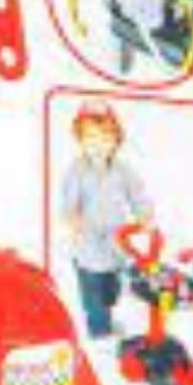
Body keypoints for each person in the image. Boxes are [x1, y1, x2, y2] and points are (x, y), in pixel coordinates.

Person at [61, 101, 153, 338]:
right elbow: (69, 202)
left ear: (116, 140)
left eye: (105, 138)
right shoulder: (77, 171)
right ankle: (99, 332)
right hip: (88, 244)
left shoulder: (123, 170)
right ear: (80, 140)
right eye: (90, 138)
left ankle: (107, 318)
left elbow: (137, 193)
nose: (98, 145)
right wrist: (72, 218)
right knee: (94, 297)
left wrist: (144, 215)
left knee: (112, 291)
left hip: (116, 242)